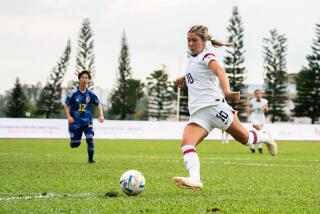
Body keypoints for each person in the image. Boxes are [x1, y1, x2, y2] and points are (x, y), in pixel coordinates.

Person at [173, 25, 277, 190]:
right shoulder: (192, 58)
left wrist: (227, 91)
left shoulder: (207, 56)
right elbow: (196, 72)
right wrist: (183, 78)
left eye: (195, 40)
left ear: (204, 41)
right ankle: (195, 179)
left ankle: (266, 137)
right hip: (199, 114)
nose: (191, 43)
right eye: (188, 40)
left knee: (247, 140)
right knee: (187, 143)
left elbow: (220, 73)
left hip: (216, 108)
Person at [64, 70, 104, 164]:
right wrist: (69, 116)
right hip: (75, 122)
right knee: (75, 144)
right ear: (79, 79)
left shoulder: (91, 94)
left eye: (87, 78)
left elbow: (99, 104)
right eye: (83, 77)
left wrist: (101, 115)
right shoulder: (73, 93)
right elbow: (66, 104)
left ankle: (91, 160)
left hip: (87, 121)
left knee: (90, 138)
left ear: (89, 80)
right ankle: (73, 142)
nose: (85, 79)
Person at [248, 89, 269, 154]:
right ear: (255, 94)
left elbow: (267, 110)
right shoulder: (252, 101)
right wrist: (253, 108)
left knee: (258, 133)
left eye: (259, 93)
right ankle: (258, 147)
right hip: (254, 117)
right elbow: (248, 109)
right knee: (260, 131)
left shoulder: (264, 101)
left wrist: (265, 108)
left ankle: (256, 147)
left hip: (261, 118)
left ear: (261, 94)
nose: (258, 95)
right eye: (256, 93)